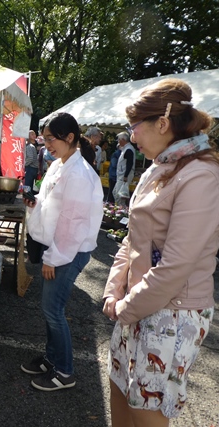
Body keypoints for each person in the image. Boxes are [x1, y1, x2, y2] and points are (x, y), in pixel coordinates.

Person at [102, 78, 219, 426]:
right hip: (139, 303)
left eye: (134, 126)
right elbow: (133, 238)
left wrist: (126, 307)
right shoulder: (159, 167)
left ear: (163, 124)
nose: (131, 135)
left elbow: (176, 266)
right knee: (119, 389)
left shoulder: (201, 175)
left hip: (173, 312)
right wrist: (113, 289)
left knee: (145, 409)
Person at [20, 112, 103, 391]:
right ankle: (52, 358)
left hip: (68, 251)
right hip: (58, 247)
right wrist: (35, 205)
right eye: (44, 139)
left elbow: (73, 224)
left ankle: (65, 371)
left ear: (69, 137)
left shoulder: (78, 174)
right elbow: (51, 203)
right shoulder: (60, 165)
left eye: (51, 139)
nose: (47, 145)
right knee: (49, 309)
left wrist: (53, 259)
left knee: (53, 309)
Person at [112, 130, 136, 207]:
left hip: (124, 176)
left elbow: (130, 163)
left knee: (119, 195)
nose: (118, 141)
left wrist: (126, 175)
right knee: (116, 193)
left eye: (119, 139)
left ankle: (121, 210)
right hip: (121, 175)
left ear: (123, 140)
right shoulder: (125, 148)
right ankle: (121, 209)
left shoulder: (129, 149)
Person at [106, 139, 122, 203]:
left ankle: (110, 204)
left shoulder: (118, 154)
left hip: (114, 175)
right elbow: (114, 164)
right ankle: (109, 204)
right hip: (114, 175)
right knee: (111, 192)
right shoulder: (116, 154)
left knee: (112, 192)